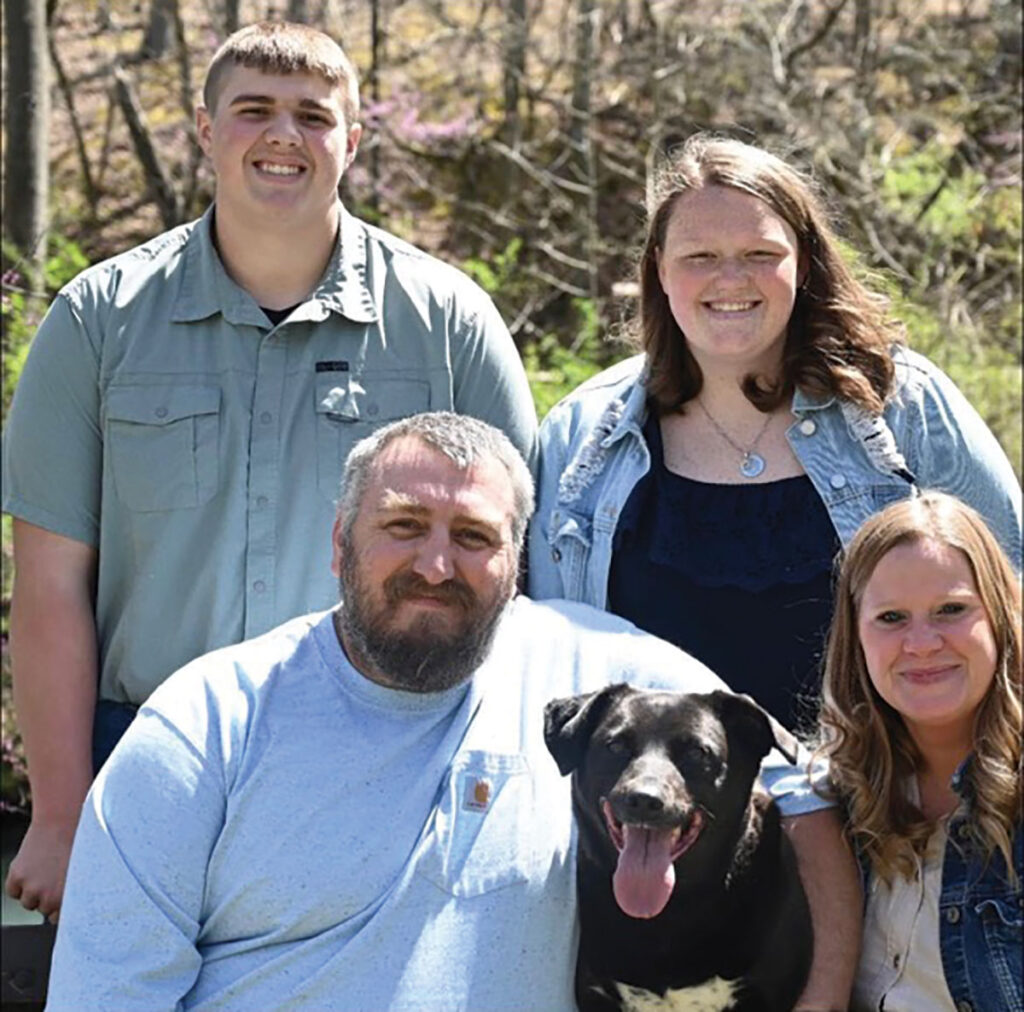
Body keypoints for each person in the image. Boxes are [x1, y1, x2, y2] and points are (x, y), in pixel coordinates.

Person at [47, 412, 858, 1011]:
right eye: (403, 526)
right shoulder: (206, 724)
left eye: (473, 536)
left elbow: (797, 785)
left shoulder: (597, 670)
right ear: (339, 544)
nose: (436, 564)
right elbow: (109, 992)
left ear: (517, 562)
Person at [1, 21, 537, 921]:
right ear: (206, 132)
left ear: (353, 141)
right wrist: (60, 814)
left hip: (389, 754)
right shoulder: (97, 321)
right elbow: (51, 585)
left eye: (312, 116)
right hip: (144, 751)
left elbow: (513, 577)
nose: (283, 136)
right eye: (253, 110)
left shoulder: (447, 323)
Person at [529, 133, 1022, 735]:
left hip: (879, 803)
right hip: (657, 816)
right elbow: (549, 656)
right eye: (700, 257)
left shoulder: (903, 406)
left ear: (805, 262)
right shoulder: (583, 437)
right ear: (658, 269)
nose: (731, 280)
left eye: (760, 254)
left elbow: (1009, 594)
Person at [816, 491, 1022, 1011]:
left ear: (998, 618)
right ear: (856, 638)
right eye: (891, 618)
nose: (923, 642)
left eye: (951, 610)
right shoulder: (823, 799)